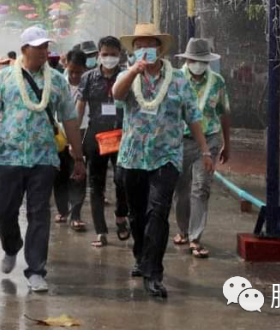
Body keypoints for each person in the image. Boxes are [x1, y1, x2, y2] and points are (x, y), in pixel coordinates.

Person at [0, 26, 84, 293]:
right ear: (25, 49)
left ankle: (36, 269)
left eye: (46, 46)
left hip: (44, 157)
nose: (43, 51)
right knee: (4, 211)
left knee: (39, 214)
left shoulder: (57, 80)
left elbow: (69, 118)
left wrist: (78, 155)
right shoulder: (3, 77)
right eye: (38, 46)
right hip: (9, 156)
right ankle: (11, 246)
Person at [112, 24, 211, 299]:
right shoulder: (129, 76)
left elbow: (193, 117)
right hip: (133, 157)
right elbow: (116, 95)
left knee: (158, 213)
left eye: (150, 45)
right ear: (134, 51)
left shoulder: (179, 80)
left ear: (159, 48)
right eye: (139, 46)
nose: (145, 50)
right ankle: (141, 257)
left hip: (166, 158)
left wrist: (205, 151)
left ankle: (154, 273)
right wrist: (133, 70)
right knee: (137, 214)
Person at [172, 38, 232, 259]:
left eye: (202, 61)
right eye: (194, 60)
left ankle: (196, 238)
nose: (198, 65)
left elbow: (224, 113)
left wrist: (227, 143)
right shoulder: (176, 80)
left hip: (210, 140)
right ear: (187, 60)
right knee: (181, 189)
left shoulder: (217, 82)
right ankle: (183, 230)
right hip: (181, 140)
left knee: (201, 188)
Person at [76, 36, 130, 248]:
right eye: (105, 54)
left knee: (122, 179)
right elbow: (80, 106)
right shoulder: (89, 78)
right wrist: (75, 140)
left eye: (113, 55)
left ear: (120, 55)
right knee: (95, 184)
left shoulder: (127, 76)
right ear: (99, 54)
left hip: (122, 135)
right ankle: (101, 231)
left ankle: (120, 215)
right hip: (95, 137)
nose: (109, 58)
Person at [52, 48, 88, 231]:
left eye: (78, 72)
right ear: (66, 66)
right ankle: (62, 210)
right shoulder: (58, 83)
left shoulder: (88, 83)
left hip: (82, 133)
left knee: (78, 175)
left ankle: (76, 214)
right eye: (71, 71)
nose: (74, 75)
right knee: (59, 175)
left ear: (84, 69)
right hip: (59, 135)